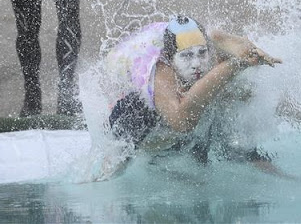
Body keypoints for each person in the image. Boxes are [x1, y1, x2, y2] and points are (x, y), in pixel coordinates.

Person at [106, 16, 281, 149]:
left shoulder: (213, 44)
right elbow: (182, 122)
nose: (196, 64)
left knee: (237, 93)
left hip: (185, 41)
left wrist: (250, 54)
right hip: (128, 98)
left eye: (201, 53)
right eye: (187, 56)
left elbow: (239, 54)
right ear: (170, 59)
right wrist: (236, 65)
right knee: (151, 133)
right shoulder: (161, 72)